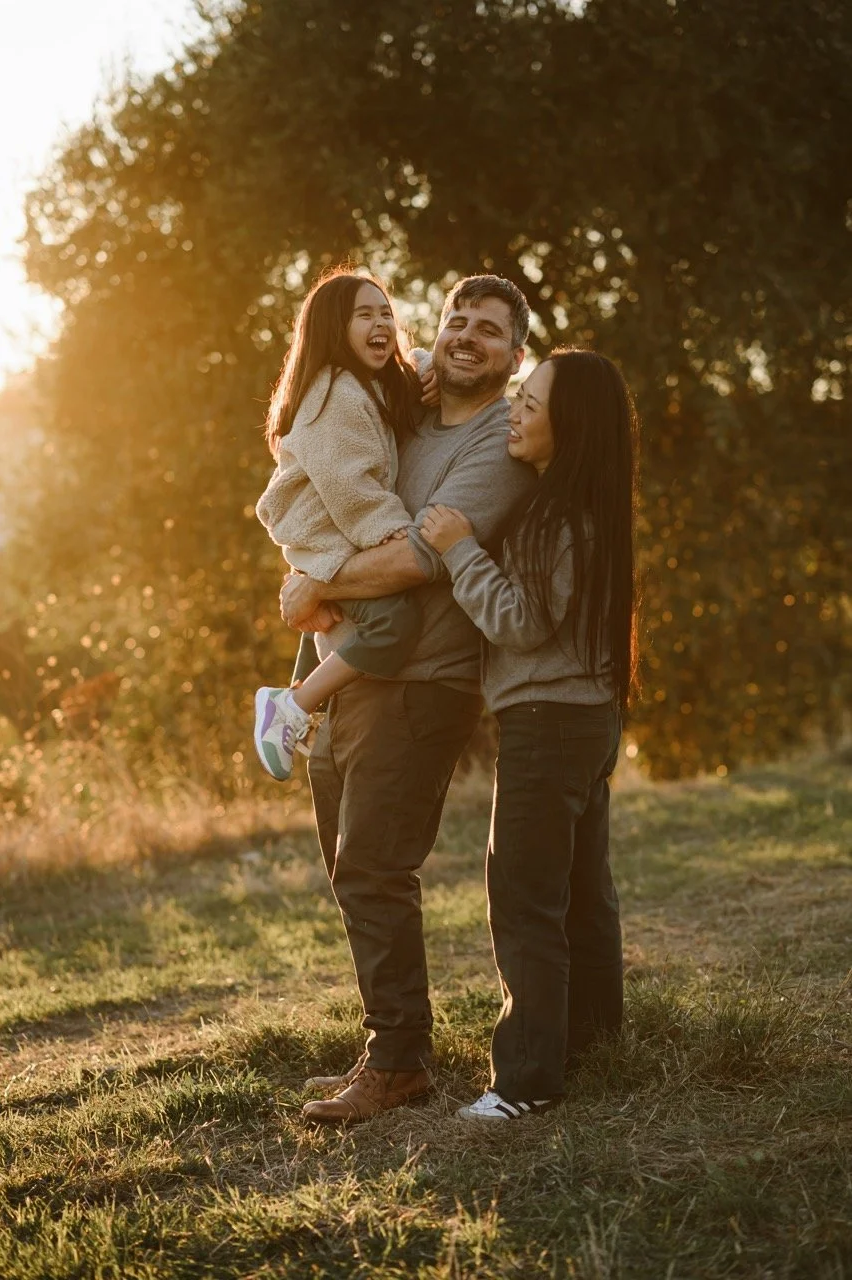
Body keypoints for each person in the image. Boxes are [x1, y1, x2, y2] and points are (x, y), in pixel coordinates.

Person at [279, 275, 537, 1123]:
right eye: (455, 320)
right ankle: (387, 1047)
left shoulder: (499, 442)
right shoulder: (413, 400)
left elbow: (417, 562)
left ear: (514, 354)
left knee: (374, 867)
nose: (465, 337)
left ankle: (398, 1064)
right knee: (349, 870)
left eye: (488, 331)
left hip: (422, 680)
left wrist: (312, 577)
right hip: (352, 667)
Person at [420, 348, 639, 1121]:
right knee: (582, 891)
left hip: (547, 722)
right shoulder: (587, 509)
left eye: (531, 404)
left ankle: (526, 1083)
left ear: (567, 426)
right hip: (586, 719)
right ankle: (594, 1042)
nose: (514, 410)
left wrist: (456, 551)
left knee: (522, 898)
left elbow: (517, 621)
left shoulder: (553, 519)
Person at [253, 269, 427, 781]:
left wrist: (424, 364)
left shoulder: (364, 385)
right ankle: (290, 705)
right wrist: (391, 529)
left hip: (330, 534)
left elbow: (409, 370)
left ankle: (301, 706)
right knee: (393, 622)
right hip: (328, 533)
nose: (382, 324)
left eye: (386, 313)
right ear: (334, 328)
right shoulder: (336, 395)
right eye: (364, 315)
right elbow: (351, 484)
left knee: (331, 624)